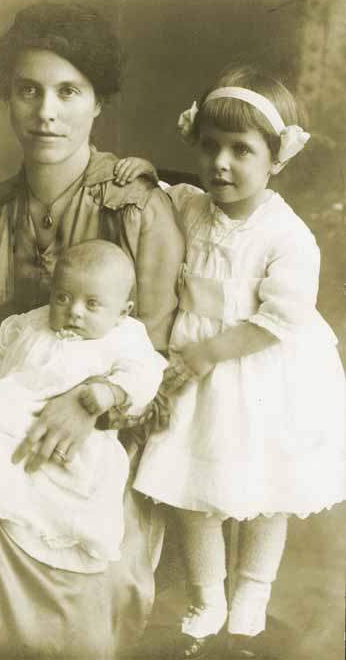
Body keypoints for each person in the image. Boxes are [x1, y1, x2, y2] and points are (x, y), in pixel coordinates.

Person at [0, 2, 184, 660]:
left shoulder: (140, 208)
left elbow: (163, 370)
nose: (46, 112)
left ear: (97, 103)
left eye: (68, 91)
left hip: (100, 466)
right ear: (8, 100)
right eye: (28, 91)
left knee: (51, 567)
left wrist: (88, 407)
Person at [120, 65, 346, 658]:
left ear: (277, 159)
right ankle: (206, 599)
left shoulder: (287, 235)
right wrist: (137, 171)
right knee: (195, 492)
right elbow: (155, 189)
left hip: (257, 367)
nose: (221, 163)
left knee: (263, 493)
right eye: (210, 146)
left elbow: (280, 319)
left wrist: (208, 353)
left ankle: (251, 598)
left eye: (241, 151)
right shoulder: (191, 206)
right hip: (197, 366)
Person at [0, 241, 167, 573]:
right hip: (4, 407)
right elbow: (0, 344)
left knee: (1, 457)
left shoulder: (125, 336)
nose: (74, 311)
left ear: (122, 312)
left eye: (92, 304)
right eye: (63, 297)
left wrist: (110, 392)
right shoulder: (32, 321)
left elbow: (146, 372)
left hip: (61, 432)